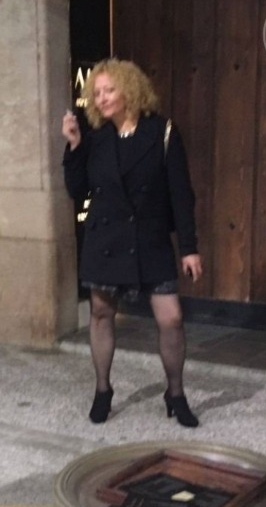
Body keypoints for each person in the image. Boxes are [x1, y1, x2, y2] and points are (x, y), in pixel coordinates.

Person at [62, 57, 203, 426]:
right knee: (101, 313)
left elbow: (181, 194)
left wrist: (188, 247)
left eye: (109, 90)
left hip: (149, 239)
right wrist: (74, 146)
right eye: (97, 93)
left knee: (171, 319)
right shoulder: (95, 137)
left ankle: (175, 393)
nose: (102, 98)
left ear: (129, 89)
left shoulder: (162, 131)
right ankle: (103, 390)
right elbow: (77, 190)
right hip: (105, 238)